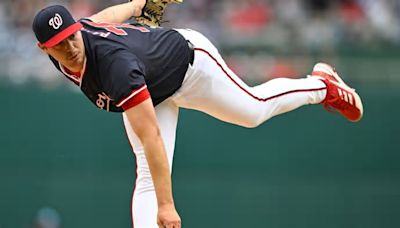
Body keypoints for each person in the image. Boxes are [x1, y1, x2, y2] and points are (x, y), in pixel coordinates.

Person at [32, 1, 363, 228]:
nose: (70, 47)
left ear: (76, 29)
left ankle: (321, 86)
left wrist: (167, 205)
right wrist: (136, 7)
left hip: (191, 66)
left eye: (72, 36)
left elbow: (152, 137)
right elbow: (101, 19)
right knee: (146, 176)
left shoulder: (113, 66)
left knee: (253, 110)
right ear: (44, 48)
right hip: (152, 87)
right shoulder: (69, 47)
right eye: (60, 43)